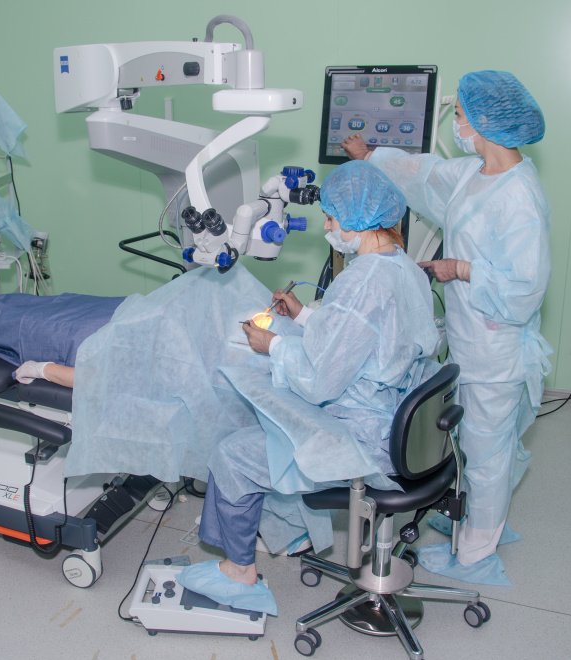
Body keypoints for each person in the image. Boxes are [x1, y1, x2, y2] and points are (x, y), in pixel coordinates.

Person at [174, 160, 440, 614]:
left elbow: (320, 382)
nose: (327, 226)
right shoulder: (404, 268)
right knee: (272, 431)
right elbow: (365, 338)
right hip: (395, 421)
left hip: (361, 439)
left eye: (332, 218)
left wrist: (272, 344)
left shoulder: (361, 283)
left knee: (234, 453)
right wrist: (301, 316)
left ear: (358, 219)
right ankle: (294, 532)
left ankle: (239, 574)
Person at [341, 70, 551, 582]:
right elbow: (425, 173)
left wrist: (459, 269)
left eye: (459, 115)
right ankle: (478, 519)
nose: (455, 123)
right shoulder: (476, 173)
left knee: (487, 450)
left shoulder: (520, 197)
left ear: (485, 122)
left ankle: (476, 552)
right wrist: (371, 158)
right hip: (471, 336)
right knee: (477, 442)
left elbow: (523, 289)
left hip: (497, 349)